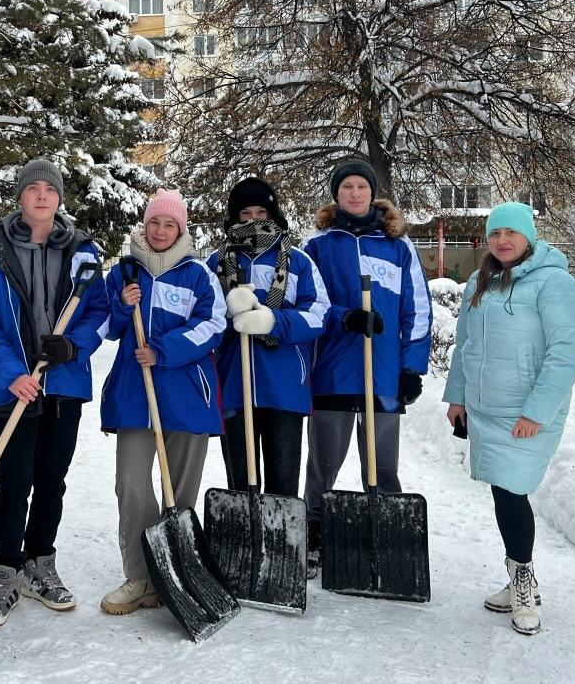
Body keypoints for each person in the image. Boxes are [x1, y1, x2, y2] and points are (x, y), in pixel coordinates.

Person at [0, 159, 110, 626]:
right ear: (20, 197)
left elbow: (99, 312)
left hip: (63, 383)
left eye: (50, 189)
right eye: (33, 189)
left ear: (59, 199)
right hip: (14, 387)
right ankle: (5, 570)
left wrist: (72, 346)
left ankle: (41, 562)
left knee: (51, 480)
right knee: (12, 483)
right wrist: (11, 374)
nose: (42, 196)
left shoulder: (83, 253)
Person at [443, 202, 575, 636]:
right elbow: (465, 344)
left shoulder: (553, 283)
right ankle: (519, 576)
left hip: (527, 413)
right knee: (503, 492)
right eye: (495, 233)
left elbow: (565, 355)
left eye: (512, 232)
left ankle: (523, 584)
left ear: (529, 237)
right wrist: (457, 397)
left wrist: (535, 412)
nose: (502, 240)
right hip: (485, 407)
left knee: (510, 491)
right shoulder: (479, 282)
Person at [301, 159, 432, 577]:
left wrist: (412, 367)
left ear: (372, 193)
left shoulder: (398, 246)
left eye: (361, 186)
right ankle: (316, 533)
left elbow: (419, 309)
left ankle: (386, 533)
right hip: (333, 371)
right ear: (336, 194)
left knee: (382, 464)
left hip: (384, 374)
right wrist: (344, 316)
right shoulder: (318, 246)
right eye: (346, 187)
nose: (354, 193)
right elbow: (307, 305)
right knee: (323, 462)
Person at [98, 190, 226, 615]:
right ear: (145, 224)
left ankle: (174, 576)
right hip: (136, 395)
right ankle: (139, 575)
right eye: (154, 222)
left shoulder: (199, 274)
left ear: (181, 229)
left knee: (180, 494)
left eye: (169, 224)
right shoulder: (125, 271)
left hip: (188, 394)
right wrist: (121, 304)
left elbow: (214, 324)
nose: (159, 230)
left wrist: (163, 350)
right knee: (131, 484)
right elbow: (106, 326)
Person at [207, 177, 330, 502]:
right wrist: (228, 318)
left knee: (283, 488)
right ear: (234, 218)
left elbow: (319, 314)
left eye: (261, 211)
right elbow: (201, 321)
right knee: (240, 486)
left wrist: (274, 321)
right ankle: (242, 546)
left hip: (285, 388)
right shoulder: (215, 264)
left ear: (273, 215)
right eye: (245, 213)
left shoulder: (299, 262)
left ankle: (284, 550)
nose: (254, 219)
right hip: (233, 385)